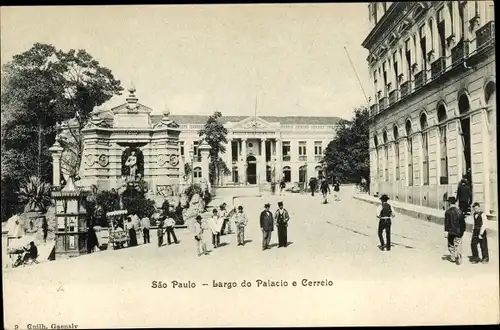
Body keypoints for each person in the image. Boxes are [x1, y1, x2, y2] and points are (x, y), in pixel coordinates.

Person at [444, 196, 466, 265]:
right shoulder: (459, 211)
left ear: (449, 203)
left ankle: (453, 257)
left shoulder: (448, 212)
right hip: (459, 232)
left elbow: (447, 223)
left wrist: (445, 231)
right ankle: (459, 257)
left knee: (451, 244)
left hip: (451, 232)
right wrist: (462, 231)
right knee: (458, 245)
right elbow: (463, 223)